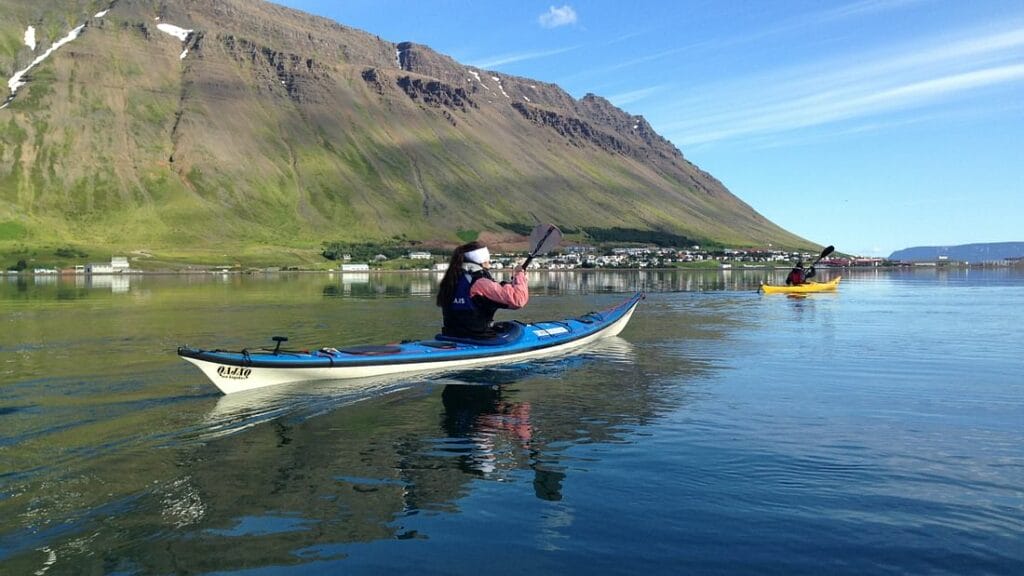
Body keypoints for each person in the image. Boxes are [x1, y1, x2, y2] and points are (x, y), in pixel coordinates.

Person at [436, 241, 528, 338]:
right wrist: (520, 275)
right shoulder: (480, 282)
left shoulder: (451, 279)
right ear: (483, 261)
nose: (489, 265)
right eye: (488, 261)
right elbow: (517, 300)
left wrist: (510, 284)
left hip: (451, 335)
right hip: (478, 337)